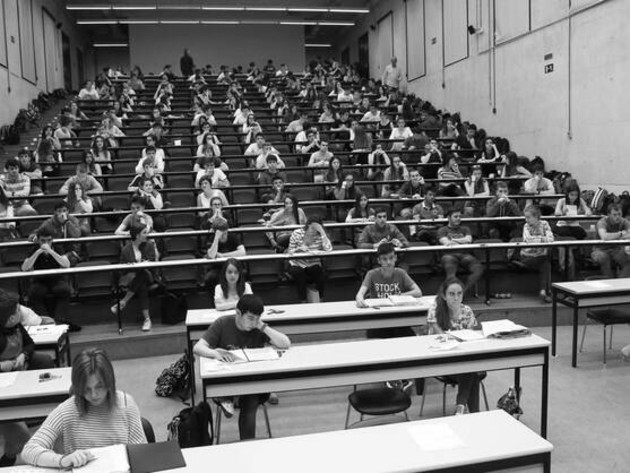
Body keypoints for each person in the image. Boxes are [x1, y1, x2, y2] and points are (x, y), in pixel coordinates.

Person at [21, 348, 146, 468]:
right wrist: (63, 460)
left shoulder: (126, 404)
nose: (94, 395)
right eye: (86, 389)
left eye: (99, 387)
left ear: (109, 382)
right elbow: (29, 450)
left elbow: (141, 452)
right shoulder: (68, 410)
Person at [193, 295, 291, 440]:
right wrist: (214, 353)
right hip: (228, 380)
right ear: (238, 313)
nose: (253, 322)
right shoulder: (222, 323)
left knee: (250, 400)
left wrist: (262, 326)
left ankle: (247, 443)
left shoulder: (258, 327)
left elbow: (285, 343)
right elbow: (198, 347)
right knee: (243, 395)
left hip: (253, 383)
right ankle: (228, 398)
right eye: (250, 318)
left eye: (257, 318)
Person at [0, 291, 55, 467]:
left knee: (43, 359)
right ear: (8, 318)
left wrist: (24, 354)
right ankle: (8, 457)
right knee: (21, 438)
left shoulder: (17, 326)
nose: (20, 311)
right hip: (4, 381)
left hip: (19, 368)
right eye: (16, 310)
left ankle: (40, 410)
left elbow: (30, 343)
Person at [427, 277, 483, 415]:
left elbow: (472, 337)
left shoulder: (467, 311)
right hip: (444, 362)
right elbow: (440, 337)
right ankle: (473, 412)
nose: (456, 298)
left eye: (459, 293)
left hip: (465, 360)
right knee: (472, 370)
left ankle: (461, 407)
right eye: (452, 294)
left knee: (470, 368)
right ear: (444, 296)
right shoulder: (435, 310)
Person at [355, 241, 421, 342]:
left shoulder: (401, 273)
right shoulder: (371, 274)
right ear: (379, 261)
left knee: (411, 341)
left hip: (398, 317)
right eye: (384, 259)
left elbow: (418, 291)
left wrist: (400, 296)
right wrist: (360, 300)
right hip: (378, 317)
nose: (389, 262)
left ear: (395, 258)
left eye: (391, 258)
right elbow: (360, 294)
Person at [21, 229, 73, 325]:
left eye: (49, 240)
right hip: (39, 280)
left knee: (64, 290)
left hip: (56, 279)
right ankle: (46, 322)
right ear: (38, 241)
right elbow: (25, 268)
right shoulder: (34, 249)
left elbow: (66, 264)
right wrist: (37, 253)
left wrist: (51, 251)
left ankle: (59, 321)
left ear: (52, 240)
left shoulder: (57, 248)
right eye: (43, 241)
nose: (46, 243)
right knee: (34, 293)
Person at [113, 224, 159, 332]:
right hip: (132, 278)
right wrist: (129, 266)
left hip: (148, 275)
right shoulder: (126, 249)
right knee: (141, 284)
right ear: (137, 235)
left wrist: (145, 263)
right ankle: (147, 319)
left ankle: (123, 302)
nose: (146, 235)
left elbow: (153, 263)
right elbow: (122, 269)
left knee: (142, 273)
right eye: (144, 232)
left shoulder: (149, 245)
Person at [437, 209, 484, 295]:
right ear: (448, 218)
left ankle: (462, 292)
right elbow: (446, 242)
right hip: (449, 255)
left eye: (460, 217)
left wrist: (454, 240)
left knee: (478, 269)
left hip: (464, 255)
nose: (458, 218)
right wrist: (462, 241)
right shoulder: (442, 230)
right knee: (451, 275)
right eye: (455, 216)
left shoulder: (465, 229)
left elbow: (469, 240)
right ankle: (449, 296)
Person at [287, 216, 333, 303]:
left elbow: (328, 249)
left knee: (320, 275)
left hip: (313, 263)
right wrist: (298, 249)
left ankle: (320, 299)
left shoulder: (320, 235)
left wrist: (323, 233)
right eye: (311, 227)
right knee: (299, 275)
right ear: (307, 225)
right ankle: (303, 301)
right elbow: (289, 251)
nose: (313, 230)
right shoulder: (297, 233)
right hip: (297, 263)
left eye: (316, 228)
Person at [520, 205, 554, 303]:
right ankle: (546, 290)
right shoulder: (526, 226)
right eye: (525, 217)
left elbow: (551, 239)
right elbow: (528, 240)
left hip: (541, 256)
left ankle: (544, 291)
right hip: (527, 256)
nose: (526, 220)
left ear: (536, 217)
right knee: (546, 260)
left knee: (545, 263)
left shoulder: (545, 224)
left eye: (528, 217)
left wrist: (537, 239)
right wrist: (542, 239)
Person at [591, 203, 630, 278]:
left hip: (617, 249)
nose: (618, 217)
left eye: (619, 214)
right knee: (603, 258)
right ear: (608, 214)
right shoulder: (602, 222)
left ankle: (620, 283)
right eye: (614, 215)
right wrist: (621, 234)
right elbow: (604, 236)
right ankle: (609, 280)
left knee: (629, 259)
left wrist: (613, 236)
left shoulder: (624, 222)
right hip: (600, 250)